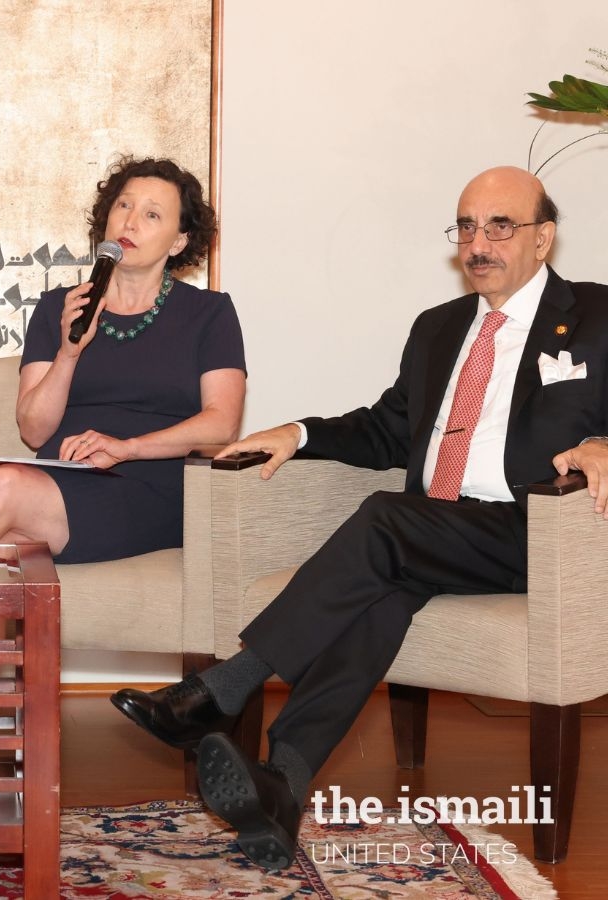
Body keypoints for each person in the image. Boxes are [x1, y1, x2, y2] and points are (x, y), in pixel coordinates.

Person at [110, 165, 608, 870]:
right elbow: (383, 428)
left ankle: (226, 686)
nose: (479, 242)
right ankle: (283, 783)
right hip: (438, 532)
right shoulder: (438, 329)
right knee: (380, 596)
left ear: (543, 237)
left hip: (542, 534)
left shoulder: (597, 316)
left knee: (385, 519)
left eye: (500, 225)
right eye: (465, 226)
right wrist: (300, 434)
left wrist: (602, 442)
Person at [0, 156, 246, 560]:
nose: (130, 221)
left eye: (152, 214)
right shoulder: (61, 307)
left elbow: (223, 424)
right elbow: (34, 432)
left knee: (4, 486)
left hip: (151, 487)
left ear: (178, 241)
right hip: (58, 483)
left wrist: (129, 447)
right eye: (124, 205)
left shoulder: (209, 314)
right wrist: (69, 352)